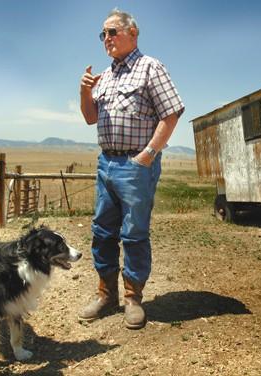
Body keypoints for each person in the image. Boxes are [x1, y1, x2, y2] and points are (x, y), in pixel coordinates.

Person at [79, 8, 184, 329]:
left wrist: (149, 154)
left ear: (132, 33)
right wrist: (84, 91)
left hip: (135, 164)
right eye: (103, 35)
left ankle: (133, 298)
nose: (106, 39)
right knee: (102, 230)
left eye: (112, 32)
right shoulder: (106, 76)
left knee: (134, 233)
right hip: (106, 162)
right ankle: (105, 293)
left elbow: (172, 113)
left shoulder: (150, 67)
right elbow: (90, 117)